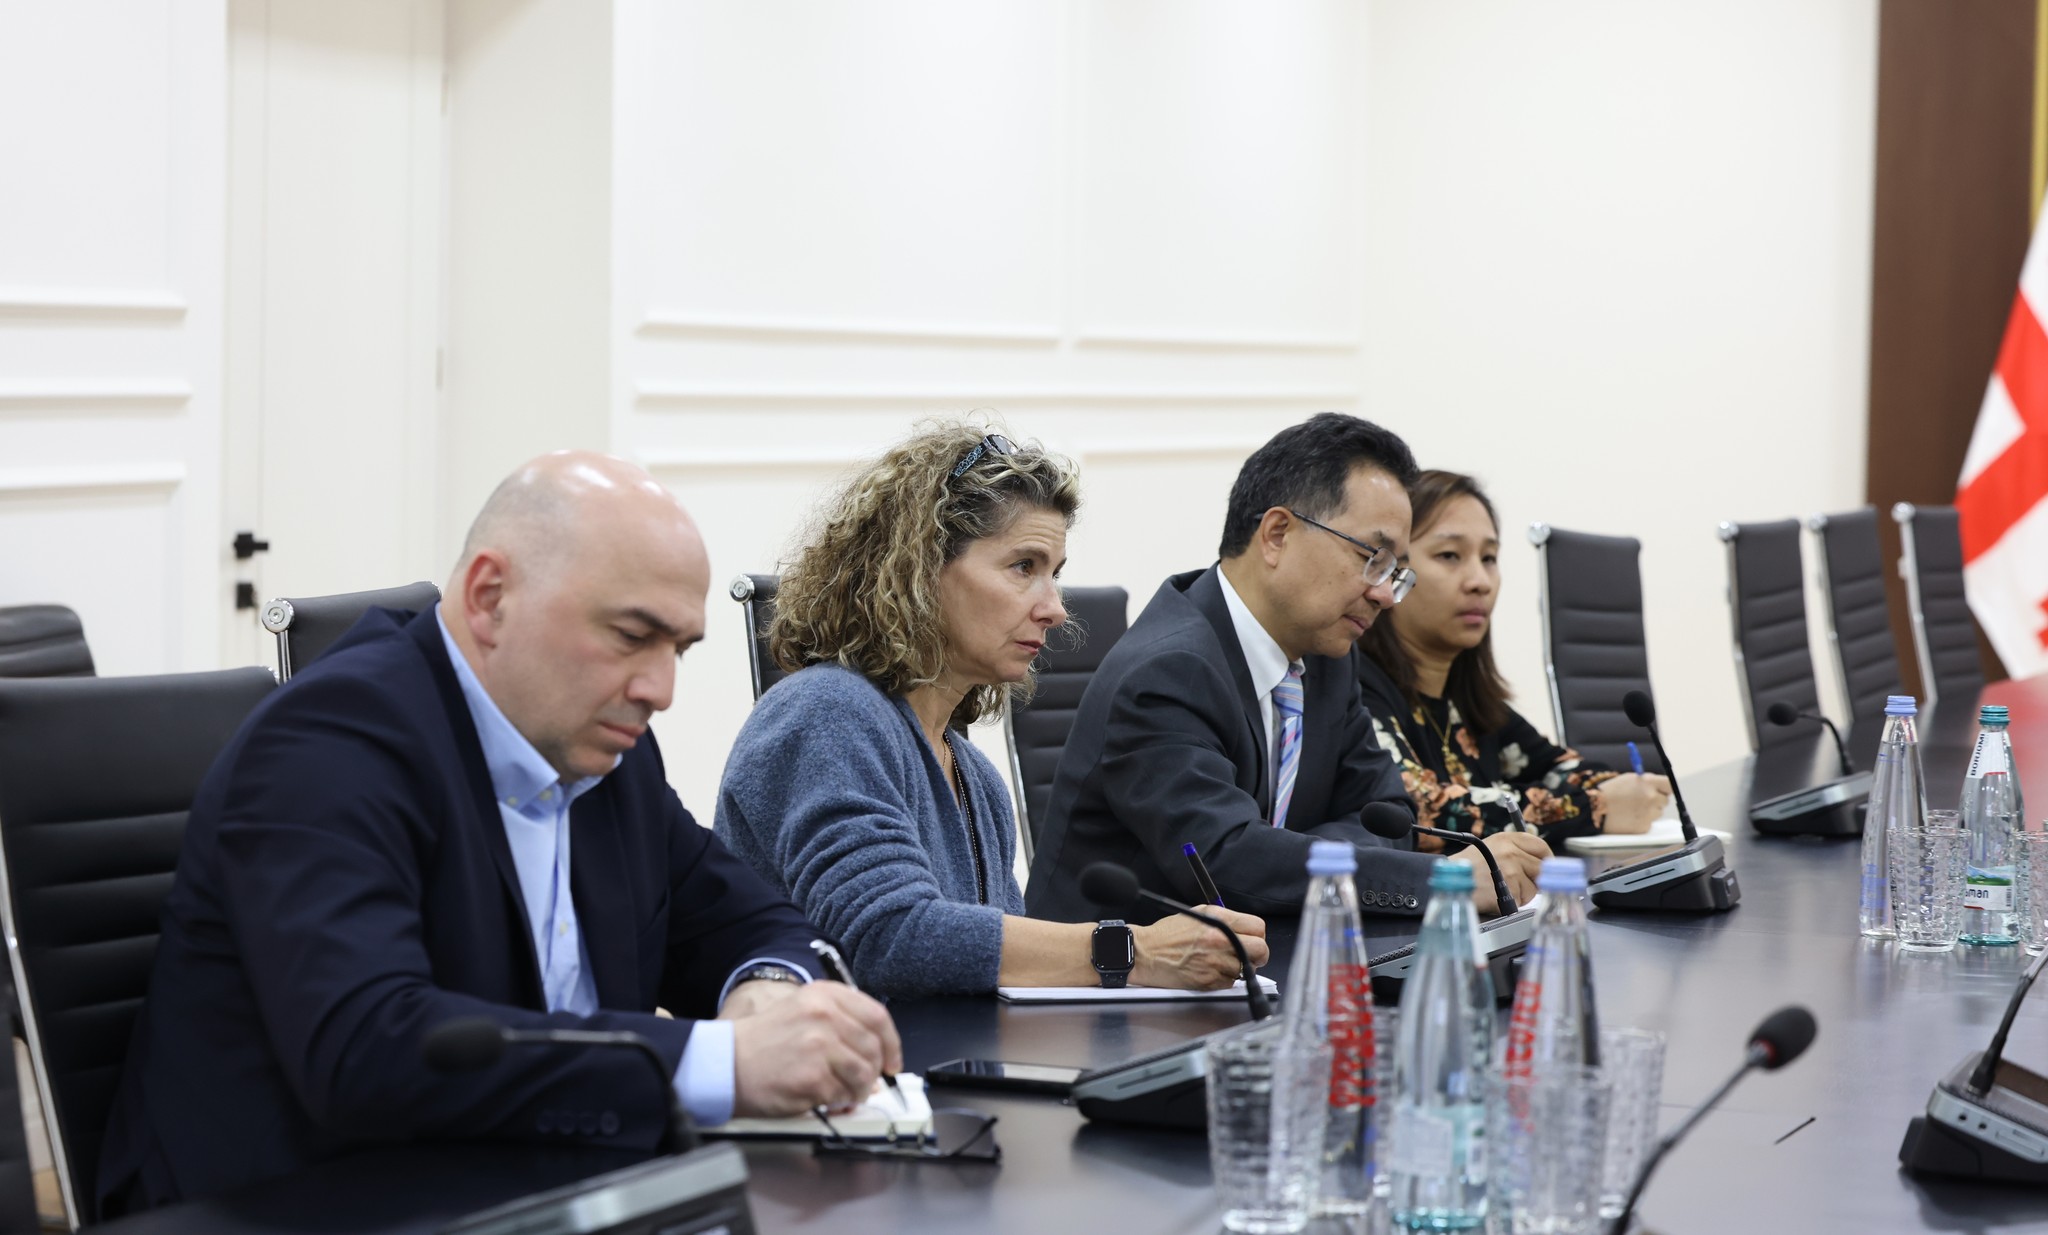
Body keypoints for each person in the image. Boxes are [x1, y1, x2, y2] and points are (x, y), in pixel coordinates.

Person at [98, 452, 901, 1211]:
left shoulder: (603, 748)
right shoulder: (326, 745)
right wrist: (720, 1062)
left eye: (679, 651)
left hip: (542, 1189)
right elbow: (369, 1047)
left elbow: (750, 918)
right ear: (488, 597)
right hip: (297, 1202)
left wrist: (768, 991)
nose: (660, 689)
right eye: (631, 636)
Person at [716, 423, 1265, 998]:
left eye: (1055, 573)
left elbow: (991, 977)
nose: (1054, 608)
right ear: (919, 570)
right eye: (1024, 566)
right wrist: (1136, 951)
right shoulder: (825, 713)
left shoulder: (976, 778)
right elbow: (887, 937)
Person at [1026, 413, 1550, 925]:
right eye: (1373, 558)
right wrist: (1443, 881)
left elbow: (1388, 812)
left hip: (1275, 952)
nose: (1386, 595)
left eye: (1396, 572)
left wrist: (1288, 856)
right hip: (1119, 974)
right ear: (1277, 534)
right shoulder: (1169, 671)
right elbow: (1225, 862)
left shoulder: (1326, 657)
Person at [1357, 470, 1671, 846]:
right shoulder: (1355, 687)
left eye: (1489, 558)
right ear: (1393, 568)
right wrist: (1594, 807)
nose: (1480, 581)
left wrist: (1624, 789)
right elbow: (1420, 810)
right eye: (1449, 555)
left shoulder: (1468, 700)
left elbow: (1560, 768)